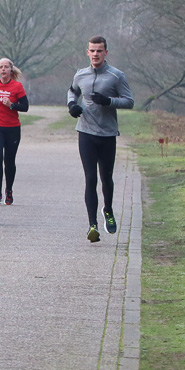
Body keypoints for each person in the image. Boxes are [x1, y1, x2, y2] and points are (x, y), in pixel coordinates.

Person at [67, 36, 134, 243]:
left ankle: (109, 209)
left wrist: (108, 101)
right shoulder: (81, 74)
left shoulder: (116, 76)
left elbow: (129, 101)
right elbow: (72, 91)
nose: (95, 54)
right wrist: (72, 106)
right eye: (92, 50)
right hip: (86, 133)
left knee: (106, 177)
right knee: (90, 178)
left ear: (106, 52)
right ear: (87, 52)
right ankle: (92, 225)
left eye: (99, 51)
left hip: (107, 135)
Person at [0, 57, 29, 205]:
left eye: (6, 67)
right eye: (1, 67)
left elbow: (25, 107)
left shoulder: (17, 87)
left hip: (12, 128)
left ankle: (8, 190)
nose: (3, 69)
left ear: (11, 70)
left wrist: (12, 105)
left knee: (9, 161)